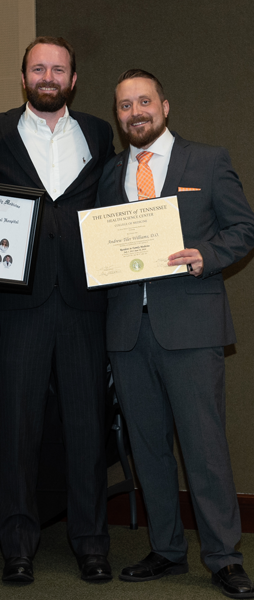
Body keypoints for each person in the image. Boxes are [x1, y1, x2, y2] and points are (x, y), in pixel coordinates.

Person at [96, 68, 254, 598]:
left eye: (144, 102)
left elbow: (243, 228)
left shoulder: (207, 161)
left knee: (204, 447)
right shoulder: (110, 171)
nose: (134, 112)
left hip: (190, 327)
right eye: (124, 106)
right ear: (118, 115)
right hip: (126, 331)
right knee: (148, 447)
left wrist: (207, 255)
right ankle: (166, 549)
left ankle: (224, 557)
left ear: (165, 106)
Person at [0, 36, 114, 583]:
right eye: (39, 68)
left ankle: (91, 544)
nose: (49, 76)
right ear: (24, 76)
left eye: (59, 69)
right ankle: (17, 546)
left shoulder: (100, 134)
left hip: (85, 303)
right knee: (17, 430)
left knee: (88, 430)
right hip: (21, 305)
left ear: (73, 80)